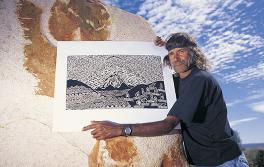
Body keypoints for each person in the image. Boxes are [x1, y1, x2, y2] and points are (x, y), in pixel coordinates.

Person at [82, 32, 249, 167]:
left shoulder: (199, 80)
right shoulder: (180, 81)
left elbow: (167, 124)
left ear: (193, 52)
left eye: (181, 51)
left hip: (222, 161)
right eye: (171, 53)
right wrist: (161, 48)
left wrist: (120, 129)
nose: (176, 58)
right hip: (210, 160)